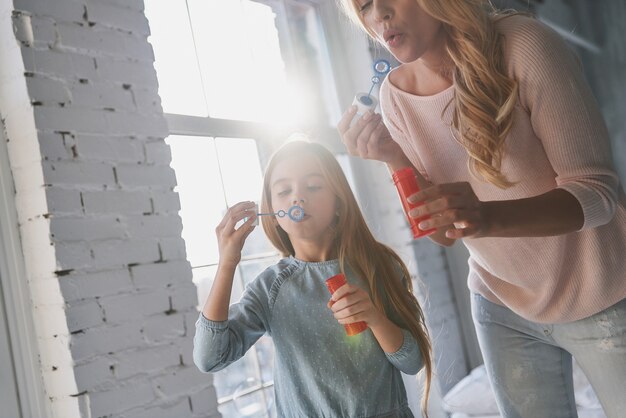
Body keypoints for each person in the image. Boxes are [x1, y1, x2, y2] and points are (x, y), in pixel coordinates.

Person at [336, 1, 626, 417]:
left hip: (599, 289)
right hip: (500, 304)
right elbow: (441, 233)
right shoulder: (392, 98)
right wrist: (392, 157)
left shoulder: (523, 45)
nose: (379, 13)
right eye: (363, 5)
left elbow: (598, 194)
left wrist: (487, 218)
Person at [193, 140, 433, 417]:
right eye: (284, 190)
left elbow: (412, 362)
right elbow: (210, 358)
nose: (297, 198)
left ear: (339, 201)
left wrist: (375, 318)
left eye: (314, 186)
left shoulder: (379, 266)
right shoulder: (271, 287)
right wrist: (227, 264)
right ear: (272, 211)